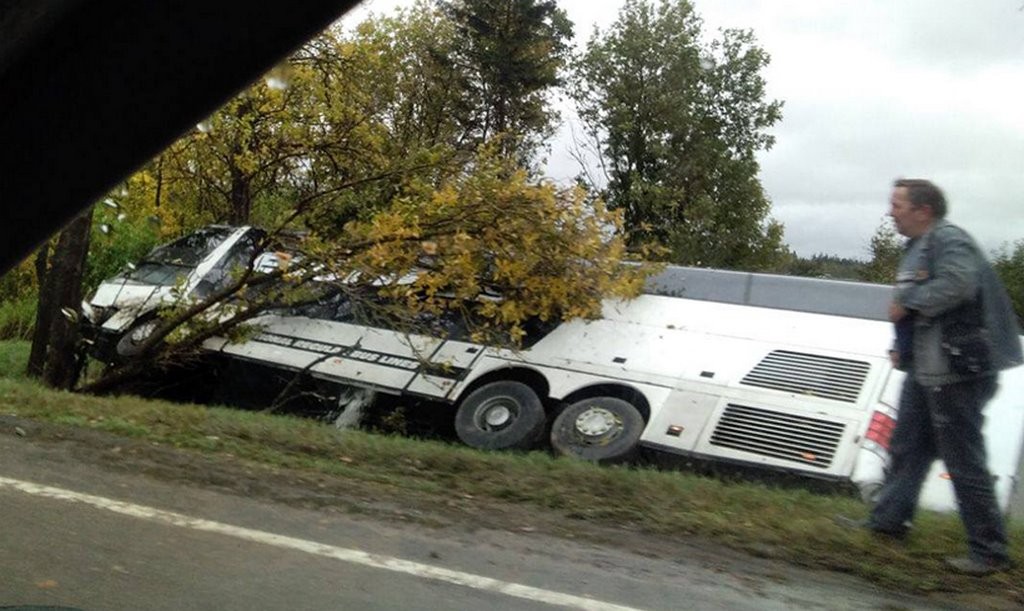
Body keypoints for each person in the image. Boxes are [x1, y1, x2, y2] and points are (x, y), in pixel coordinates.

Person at [839, 178, 1022, 576]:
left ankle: (990, 551)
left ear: (923, 210)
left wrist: (908, 304)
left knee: (963, 458)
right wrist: (902, 346)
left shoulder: (949, 240)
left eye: (898, 205)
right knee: (907, 446)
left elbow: (958, 285)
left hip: (955, 374)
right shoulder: (917, 247)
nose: (891, 212)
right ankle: (888, 521)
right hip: (926, 368)